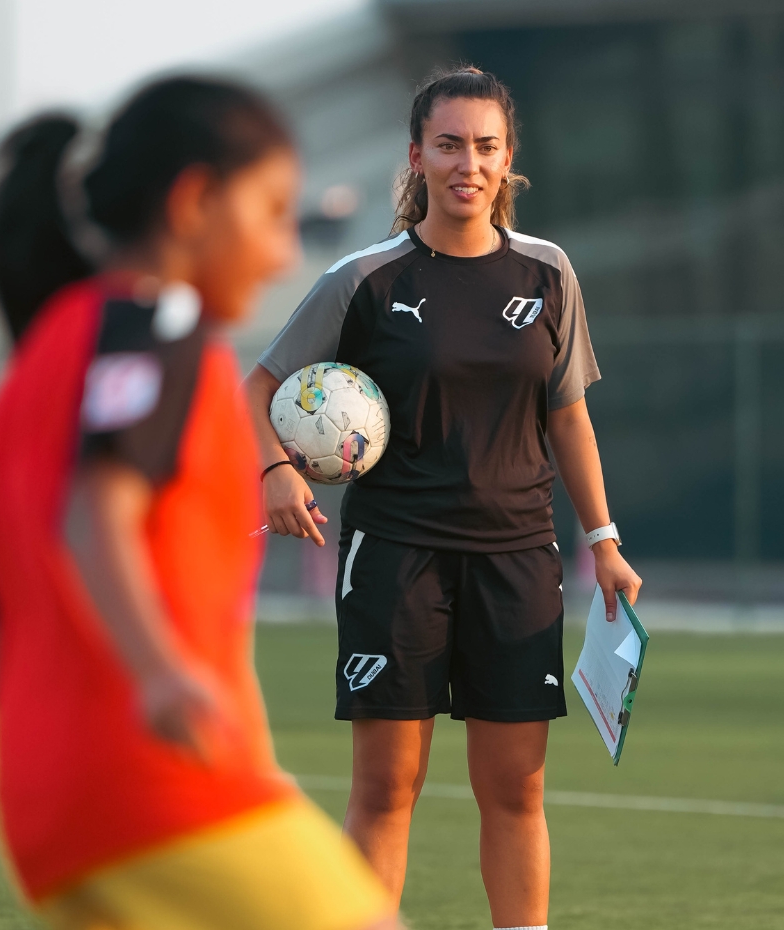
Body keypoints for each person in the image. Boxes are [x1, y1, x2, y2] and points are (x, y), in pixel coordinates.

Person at [0, 76, 396, 930]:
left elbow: (1, 618)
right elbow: (96, 512)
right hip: (158, 784)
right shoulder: (161, 326)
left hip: (42, 801)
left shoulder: (38, 366)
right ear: (195, 200)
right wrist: (160, 673)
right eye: (273, 210)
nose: (282, 251)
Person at [242, 66, 642, 930]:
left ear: (509, 161)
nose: (469, 163)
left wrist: (602, 538)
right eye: (451, 144)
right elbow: (258, 385)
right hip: (395, 559)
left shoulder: (549, 272)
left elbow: (568, 417)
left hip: (517, 560)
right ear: (417, 155)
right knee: (386, 789)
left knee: (516, 789)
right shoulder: (366, 279)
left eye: (486, 146)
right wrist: (276, 470)